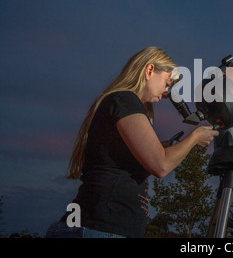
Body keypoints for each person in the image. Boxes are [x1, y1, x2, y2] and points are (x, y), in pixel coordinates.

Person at [46, 47, 218, 238]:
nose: (166, 93)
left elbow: (122, 156)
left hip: (105, 228)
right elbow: (161, 165)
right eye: (167, 83)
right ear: (149, 70)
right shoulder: (125, 100)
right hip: (100, 227)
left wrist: (160, 147)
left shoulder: (122, 102)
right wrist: (195, 137)